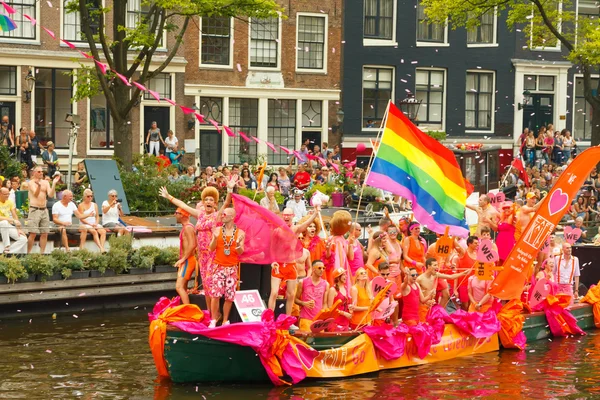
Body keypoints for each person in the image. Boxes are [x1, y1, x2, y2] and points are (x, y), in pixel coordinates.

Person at [161, 178, 235, 306]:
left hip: (213, 254)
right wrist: (169, 197)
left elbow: (227, 203)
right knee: (206, 287)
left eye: (211, 200)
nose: (208, 201)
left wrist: (229, 189)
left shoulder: (217, 215)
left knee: (212, 286)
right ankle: (211, 315)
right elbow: (183, 205)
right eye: (206, 199)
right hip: (202, 256)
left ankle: (215, 316)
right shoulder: (200, 215)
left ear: (215, 203)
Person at [267, 206, 319, 315]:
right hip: (279, 265)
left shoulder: (295, 229)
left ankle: (287, 319)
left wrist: (315, 213)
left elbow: (306, 224)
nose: (286, 217)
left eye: (288, 215)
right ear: (282, 216)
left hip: (291, 265)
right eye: (284, 214)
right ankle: (269, 319)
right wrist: (272, 261)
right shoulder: (277, 230)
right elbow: (271, 247)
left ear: (293, 216)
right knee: (274, 292)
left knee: (291, 294)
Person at [208, 207, 245, 327]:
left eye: (225, 214)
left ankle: (225, 320)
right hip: (219, 266)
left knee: (229, 297)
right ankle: (213, 319)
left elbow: (240, 252)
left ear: (232, 217)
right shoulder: (218, 230)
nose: (222, 216)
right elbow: (211, 248)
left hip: (232, 268)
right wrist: (214, 237)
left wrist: (238, 244)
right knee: (215, 295)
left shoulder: (240, 233)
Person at [27, 166, 60, 253]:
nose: (41, 173)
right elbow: (36, 194)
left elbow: (50, 195)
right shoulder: (31, 182)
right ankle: (28, 253)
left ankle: (42, 254)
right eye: (39, 172)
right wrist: (38, 186)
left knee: (45, 233)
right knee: (33, 233)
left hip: (44, 209)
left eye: (42, 171)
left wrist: (54, 184)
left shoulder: (45, 182)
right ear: (34, 173)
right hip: (34, 209)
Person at [295, 260, 329, 331]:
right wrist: (303, 303)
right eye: (319, 268)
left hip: (319, 321)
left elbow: (325, 303)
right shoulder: (303, 282)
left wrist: (323, 318)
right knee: (306, 341)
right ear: (313, 269)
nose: (322, 270)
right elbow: (295, 299)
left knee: (318, 342)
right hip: (305, 319)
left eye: (323, 268)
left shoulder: (326, 284)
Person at [174, 207, 197, 305]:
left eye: (176, 212)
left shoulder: (188, 227)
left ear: (182, 215)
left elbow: (192, 244)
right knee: (183, 287)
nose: (174, 215)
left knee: (179, 287)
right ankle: (185, 307)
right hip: (186, 260)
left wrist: (183, 259)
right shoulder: (187, 227)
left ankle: (187, 309)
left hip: (188, 260)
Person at [454, 236, 479, 311]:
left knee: (473, 304)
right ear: (469, 244)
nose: (477, 245)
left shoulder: (477, 254)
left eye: (478, 243)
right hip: (464, 284)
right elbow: (455, 244)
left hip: (474, 284)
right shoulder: (463, 252)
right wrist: (453, 235)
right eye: (475, 243)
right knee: (465, 305)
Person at [0, 187, 27, 254]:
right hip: (3, 223)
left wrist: (19, 229)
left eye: (8, 194)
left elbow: (14, 215)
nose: (7, 195)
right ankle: (7, 246)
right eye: (5, 194)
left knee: (23, 239)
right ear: (0, 194)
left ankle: (8, 252)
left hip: (6, 225)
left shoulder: (10, 202)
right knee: (4, 222)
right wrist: (12, 220)